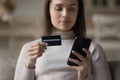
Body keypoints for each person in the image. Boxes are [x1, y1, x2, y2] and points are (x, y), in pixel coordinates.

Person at [14, 0, 112, 80]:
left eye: (72, 9)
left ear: (78, 12)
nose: (65, 14)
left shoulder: (92, 49)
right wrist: (29, 65)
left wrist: (84, 76)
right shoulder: (29, 48)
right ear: (48, 10)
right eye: (59, 8)